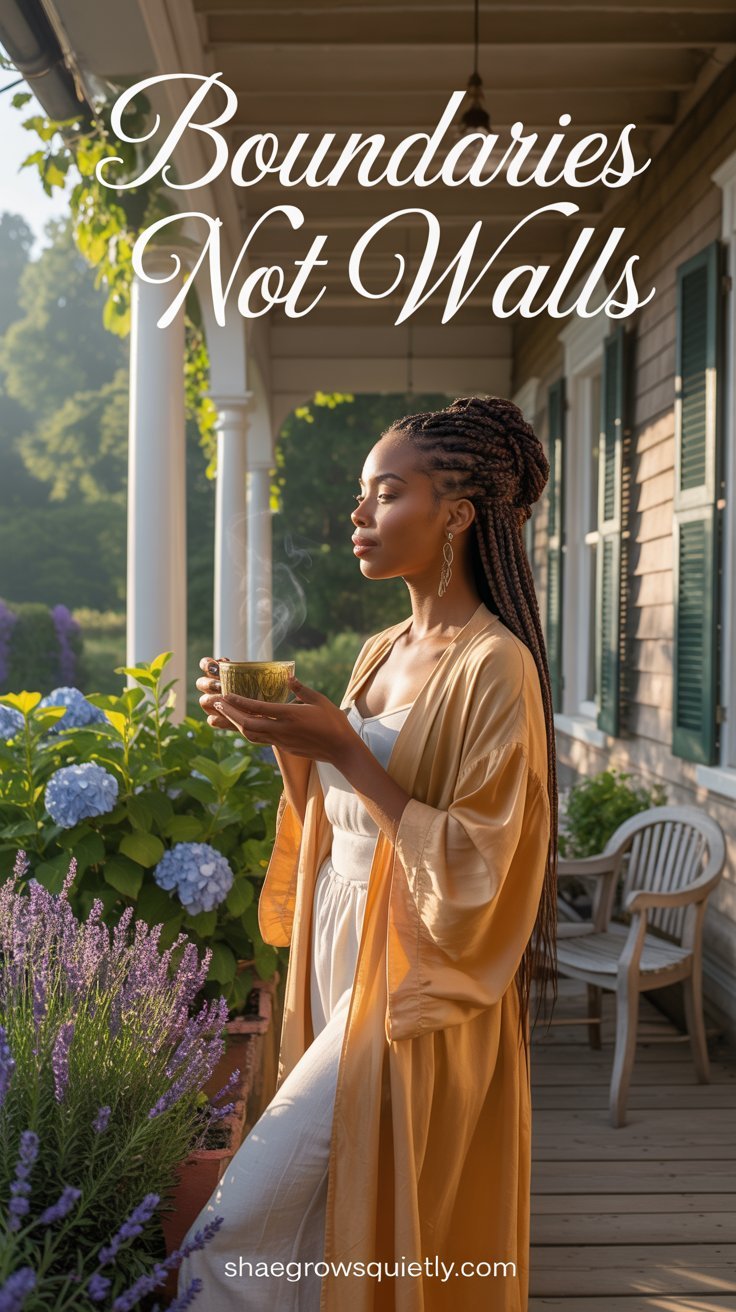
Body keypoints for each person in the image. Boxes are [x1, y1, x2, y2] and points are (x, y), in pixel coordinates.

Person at [178, 395, 558, 1311]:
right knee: (318, 1218)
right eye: (360, 495)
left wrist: (344, 744)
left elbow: (484, 859)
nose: (358, 515)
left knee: (231, 1231)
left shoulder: (495, 665)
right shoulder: (380, 649)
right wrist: (285, 735)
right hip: (337, 944)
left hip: (414, 975)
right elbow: (335, 815)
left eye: (385, 493)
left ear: (457, 513)